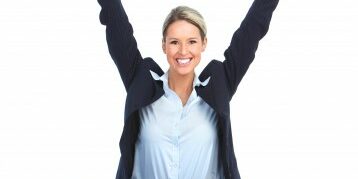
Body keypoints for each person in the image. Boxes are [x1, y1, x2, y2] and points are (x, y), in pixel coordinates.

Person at [97, 0, 279, 178]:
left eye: (192, 41)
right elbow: (116, 22)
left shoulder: (219, 85)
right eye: (175, 42)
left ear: (203, 44)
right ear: (164, 45)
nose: (183, 51)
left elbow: (252, 29)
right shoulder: (141, 82)